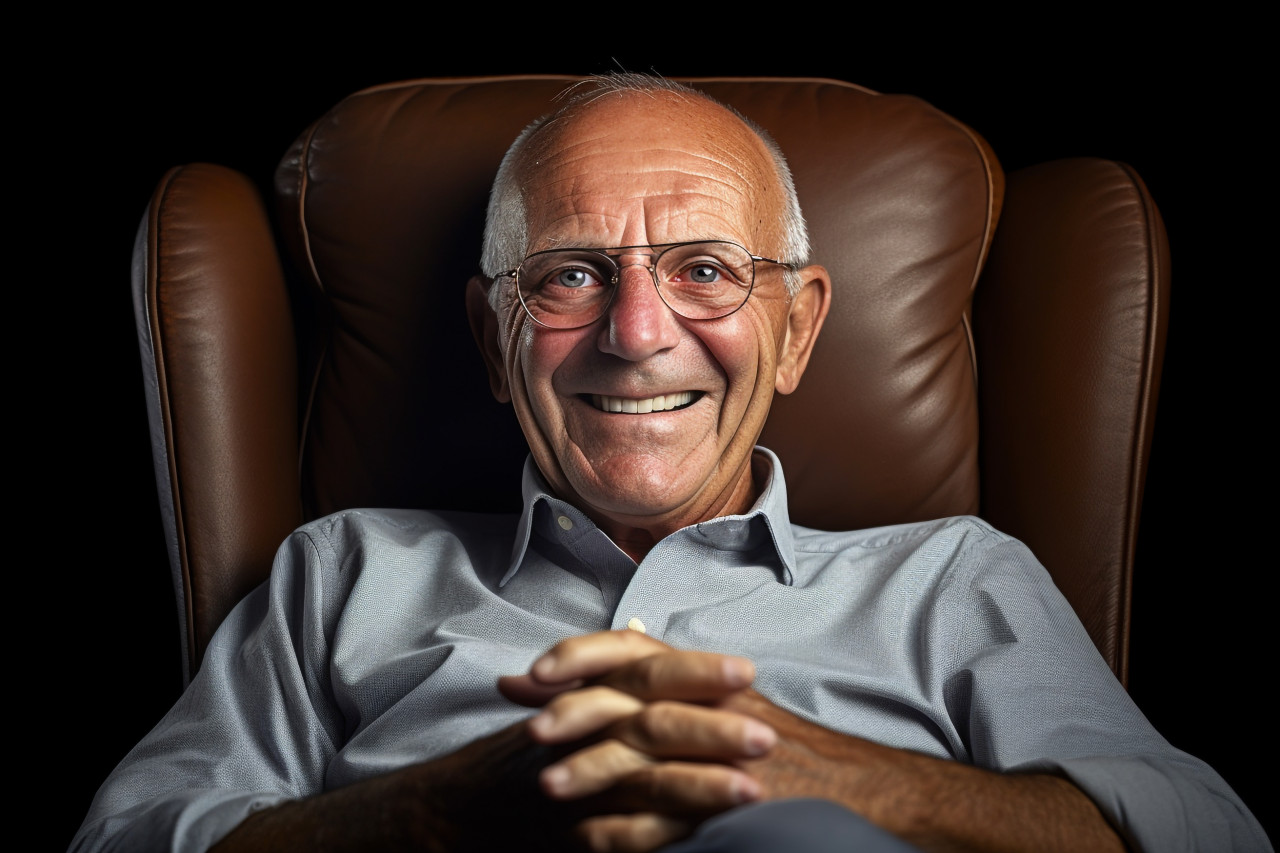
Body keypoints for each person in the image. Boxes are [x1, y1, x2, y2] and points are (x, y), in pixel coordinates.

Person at [71, 74, 1271, 853]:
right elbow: (129, 837)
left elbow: (1206, 836)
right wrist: (438, 810)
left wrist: (835, 777)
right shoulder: (341, 571)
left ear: (797, 328)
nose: (636, 334)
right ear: (497, 341)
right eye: (569, 275)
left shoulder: (953, 577)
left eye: (704, 269)